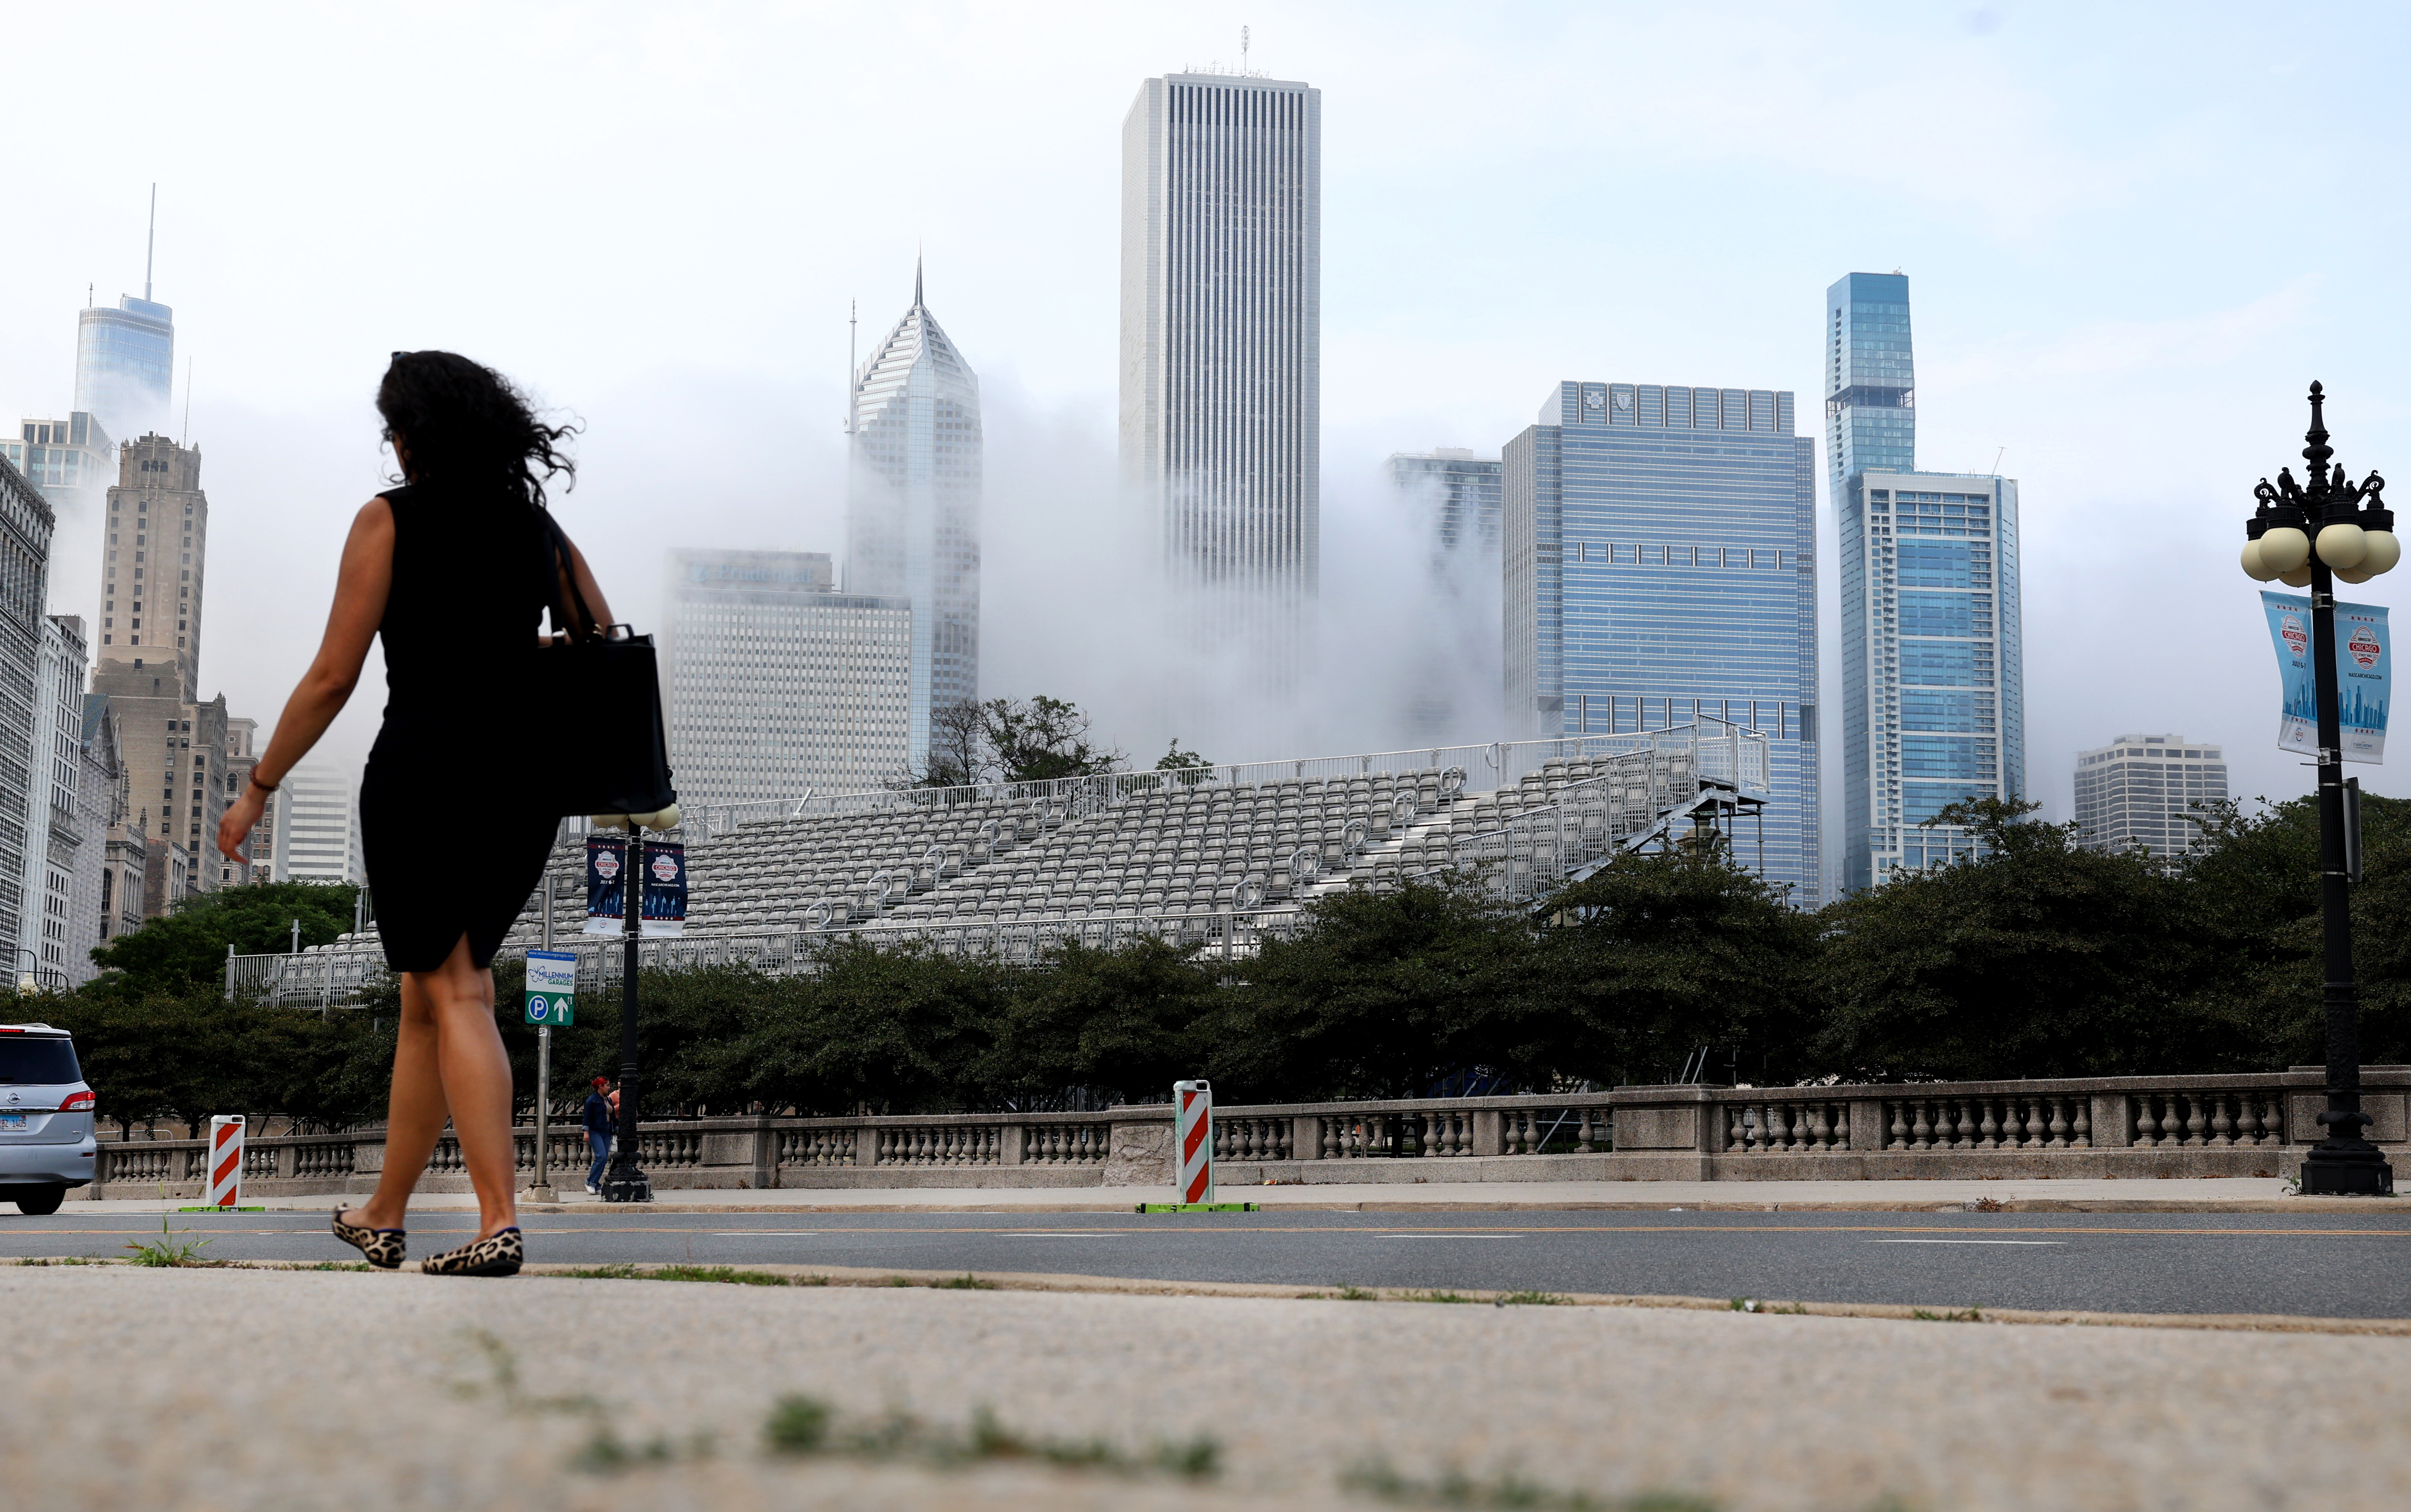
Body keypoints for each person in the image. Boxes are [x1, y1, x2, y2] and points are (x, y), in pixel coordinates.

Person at [218, 351, 612, 1278]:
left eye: (394, 427)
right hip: (523, 787)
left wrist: (259, 787)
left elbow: (333, 674)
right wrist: (516, 660)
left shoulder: (389, 519)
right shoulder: (535, 529)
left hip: (428, 773)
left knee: (457, 987)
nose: (389, 442)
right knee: (426, 996)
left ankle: (496, 1218)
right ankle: (385, 1211)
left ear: (414, 434)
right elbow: (598, 635)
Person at [582, 1077, 615, 1195]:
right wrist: (586, 1131)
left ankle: (595, 1184)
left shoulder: (608, 1099)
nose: (609, 1088)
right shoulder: (592, 1100)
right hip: (595, 1131)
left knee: (604, 1158)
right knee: (601, 1156)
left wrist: (615, 1128)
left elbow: (612, 1117)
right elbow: (587, 1117)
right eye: (607, 1085)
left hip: (606, 1131)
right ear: (601, 1086)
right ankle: (591, 1182)